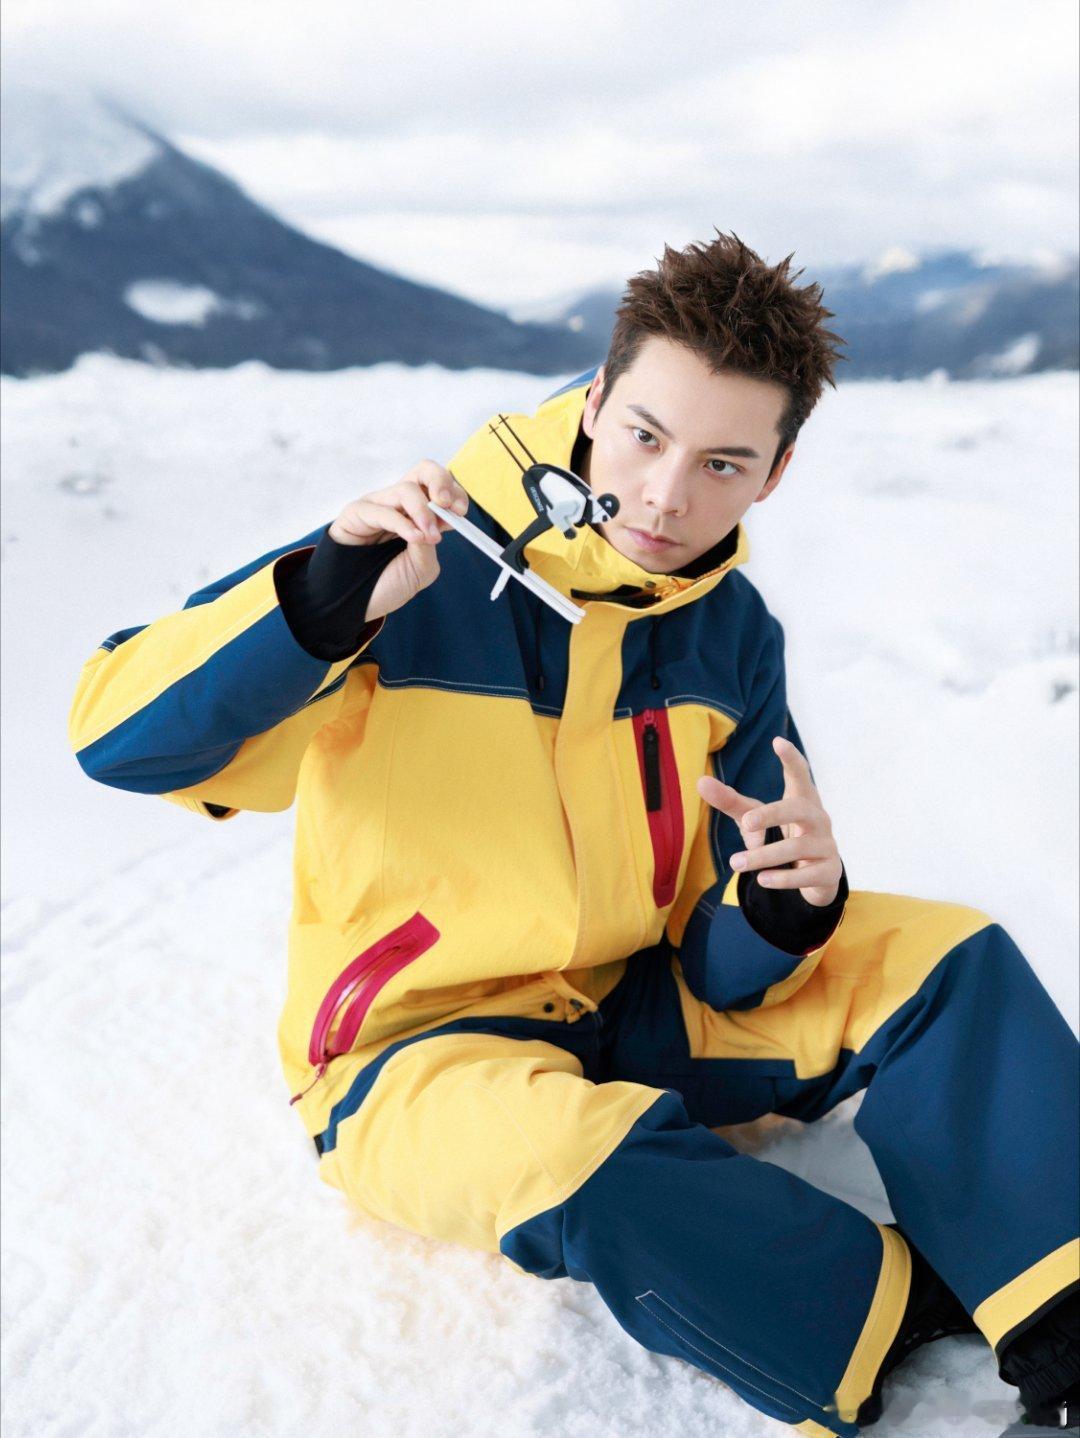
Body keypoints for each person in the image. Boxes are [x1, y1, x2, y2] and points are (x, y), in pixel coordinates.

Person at [68, 232, 1078, 1435]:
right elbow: (118, 737)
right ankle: (894, 1317)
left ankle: (1068, 1323)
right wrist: (320, 601)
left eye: (722, 461)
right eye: (646, 435)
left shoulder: (732, 633)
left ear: (775, 473)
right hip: (417, 1052)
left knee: (951, 958)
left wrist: (779, 905)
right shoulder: (406, 566)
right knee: (579, 1159)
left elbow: (723, 965)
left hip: (643, 1001)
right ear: (595, 402)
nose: (666, 495)